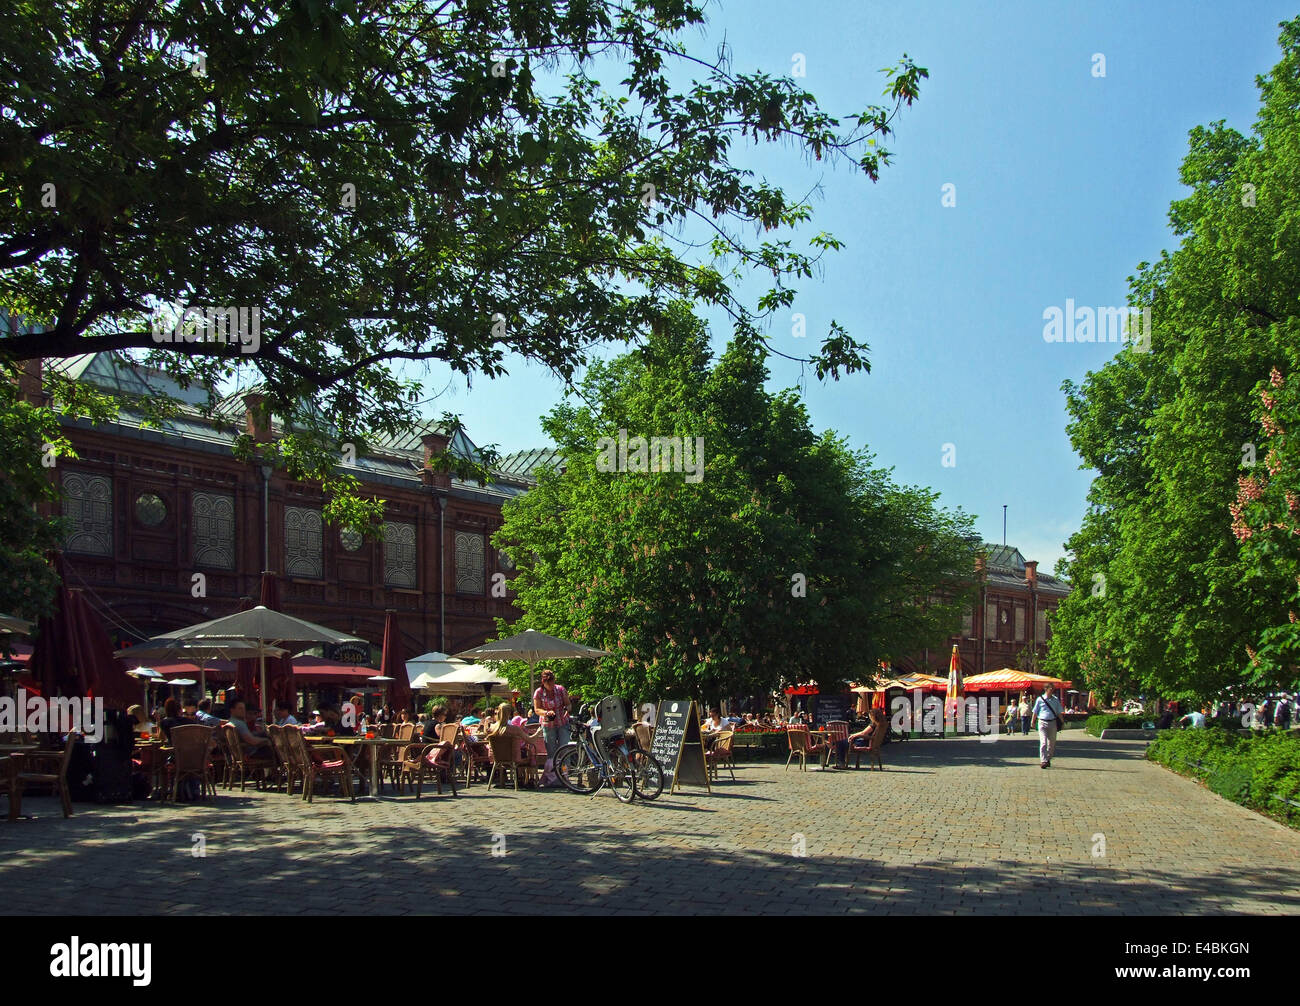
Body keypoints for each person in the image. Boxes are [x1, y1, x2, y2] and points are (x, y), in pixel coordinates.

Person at [486, 701, 545, 785]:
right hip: (514, 757)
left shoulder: (492, 728)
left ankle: (519, 778)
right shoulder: (514, 729)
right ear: (510, 715)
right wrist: (538, 732)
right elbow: (530, 740)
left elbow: (485, 733)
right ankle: (529, 779)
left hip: (497, 757)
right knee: (529, 752)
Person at [532, 669, 571, 765]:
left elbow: (568, 704)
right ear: (543, 682)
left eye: (552, 683)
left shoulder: (561, 689)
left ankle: (565, 772)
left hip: (562, 722)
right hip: (548, 724)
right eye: (548, 684)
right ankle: (553, 773)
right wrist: (546, 712)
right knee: (551, 751)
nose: (551, 686)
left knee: (564, 748)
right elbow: (537, 710)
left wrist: (567, 710)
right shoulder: (538, 692)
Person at [1031, 684, 1064, 768]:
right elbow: (1035, 711)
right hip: (1042, 722)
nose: (1052, 690)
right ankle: (1043, 761)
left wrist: (1062, 722)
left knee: (1051, 744)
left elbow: (1059, 712)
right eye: (1050, 688)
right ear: (1046, 689)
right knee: (1043, 742)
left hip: (1052, 723)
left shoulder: (1055, 700)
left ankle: (1048, 758)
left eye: (1053, 688)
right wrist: (1033, 721)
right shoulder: (1040, 699)